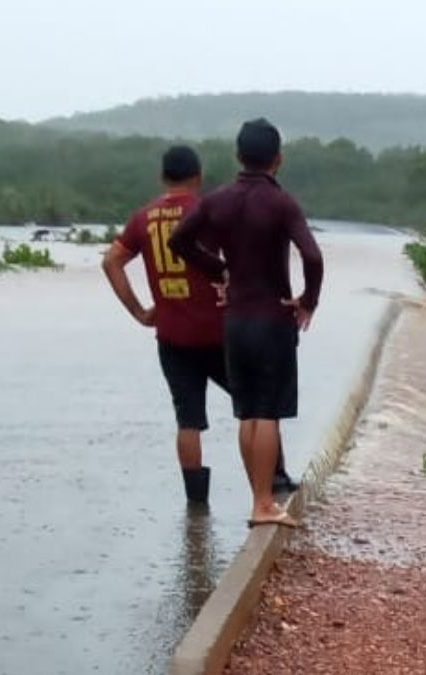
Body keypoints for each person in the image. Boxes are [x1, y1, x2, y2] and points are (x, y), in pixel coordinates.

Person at [102, 145, 297, 505]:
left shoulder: (142, 218)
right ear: (199, 176)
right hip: (221, 330)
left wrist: (140, 311)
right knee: (259, 406)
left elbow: (112, 261)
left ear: (162, 177)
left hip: (172, 335)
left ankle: (196, 510)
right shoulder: (206, 210)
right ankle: (274, 484)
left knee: (188, 420)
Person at [169, 119, 323, 527]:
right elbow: (313, 256)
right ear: (278, 160)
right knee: (268, 412)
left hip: (235, 320)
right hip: (273, 318)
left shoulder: (217, 200)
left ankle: (258, 500)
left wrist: (218, 269)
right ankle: (265, 504)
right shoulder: (282, 203)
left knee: (247, 413)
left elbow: (180, 240)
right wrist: (308, 301)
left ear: (238, 156)